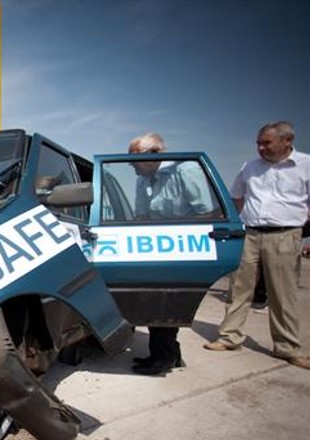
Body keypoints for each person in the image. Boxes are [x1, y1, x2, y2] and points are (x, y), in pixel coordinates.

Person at [204, 121, 310, 370]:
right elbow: (237, 199)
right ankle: (230, 337)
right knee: (239, 289)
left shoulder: (305, 165)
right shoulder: (249, 167)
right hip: (249, 233)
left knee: (283, 295)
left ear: (287, 141)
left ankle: (287, 347)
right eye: (258, 143)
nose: (260, 148)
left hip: (285, 235)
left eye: (266, 143)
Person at [128, 132, 217, 375]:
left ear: (154, 155)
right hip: (155, 247)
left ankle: (163, 358)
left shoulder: (185, 170)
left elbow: (205, 212)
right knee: (155, 303)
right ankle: (168, 353)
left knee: (165, 304)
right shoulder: (143, 179)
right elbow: (142, 216)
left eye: (134, 160)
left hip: (181, 246)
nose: (132, 166)